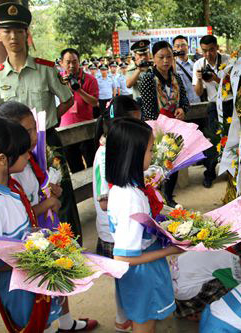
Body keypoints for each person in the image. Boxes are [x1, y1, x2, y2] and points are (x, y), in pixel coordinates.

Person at [0, 101, 99, 332]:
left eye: (34, 128)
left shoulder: (28, 158)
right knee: (41, 295)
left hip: (45, 229)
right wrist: (46, 204)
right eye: (28, 130)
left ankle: (66, 321)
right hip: (30, 240)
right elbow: (18, 213)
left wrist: (50, 191)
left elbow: (34, 191)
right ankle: (54, 324)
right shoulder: (10, 171)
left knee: (60, 274)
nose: (34, 135)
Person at [0, 2, 83, 243]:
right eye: (6, 32)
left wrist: (50, 120)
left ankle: (72, 243)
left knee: (63, 191)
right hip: (15, 149)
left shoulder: (46, 69)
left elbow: (68, 99)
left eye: (18, 31)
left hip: (47, 140)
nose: (13, 37)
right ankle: (39, 245)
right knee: (24, 193)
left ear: (26, 35)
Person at [0, 118, 62, 332]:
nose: (29, 156)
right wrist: (33, 256)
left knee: (45, 324)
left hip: (34, 277)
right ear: (2, 159)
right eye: (24, 153)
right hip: (19, 289)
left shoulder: (11, 187)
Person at [105, 117, 183, 333]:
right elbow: (124, 257)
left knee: (144, 320)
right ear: (133, 155)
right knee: (145, 325)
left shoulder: (121, 188)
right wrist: (172, 249)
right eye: (150, 150)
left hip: (141, 269)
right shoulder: (131, 198)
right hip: (143, 272)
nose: (152, 154)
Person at [92, 96, 142, 332]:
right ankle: (124, 318)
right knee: (124, 275)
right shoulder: (105, 155)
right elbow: (105, 202)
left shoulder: (114, 148)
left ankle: (125, 316)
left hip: (122, 225)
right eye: (136, 123)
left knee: (125, 275)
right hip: (114, 229)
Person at [174, 210, 241, 321]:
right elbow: (238, 286)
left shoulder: (219, 235)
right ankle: (195, 312)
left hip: (176, 282)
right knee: (232, 290)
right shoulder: (230, 257)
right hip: (185, 296)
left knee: (225, 274)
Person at [138, 41, 189, 207]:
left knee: (173, 164)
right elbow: (148, 109)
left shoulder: (177, 78)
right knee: (157, 166)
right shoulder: (147, 79)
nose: (166, 61)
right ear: (154, 58)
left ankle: (169, 197)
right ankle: (156, 200)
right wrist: (163, 125)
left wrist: (182, 109)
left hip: (175, 127)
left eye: (169, 57)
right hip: (155, 129)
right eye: (161, 57)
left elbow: (186, 101)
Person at [192, 35, 230, 188]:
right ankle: (209, 173)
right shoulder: (199, 64)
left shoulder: (228, 60)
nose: (208, 54)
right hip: (213, 105)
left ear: (217, 48)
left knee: (232, 138)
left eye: (211, 50)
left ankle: (231, 171)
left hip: (229, 103)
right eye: (204, 51)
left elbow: (234, 86)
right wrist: (200, 79)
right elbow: (198, 92)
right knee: (213, 141)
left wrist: (215, 79)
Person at [59, 48, 99, 173]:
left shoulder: (90, 79)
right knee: (75, 168)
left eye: (74, 62)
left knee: (93, 165)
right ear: (61, 63)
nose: (71, 66)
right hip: (66, 131)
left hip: (86, 129)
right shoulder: (57, 79)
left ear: (79, 62)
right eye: (68, 62)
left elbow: (94, 102)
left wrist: (79, 90)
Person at [173, 35, 201, 104]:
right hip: (183, 107)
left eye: (183, 45)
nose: (180, 48)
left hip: (198, 103)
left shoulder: (195, 64)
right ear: (173, 48)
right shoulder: (172, 67)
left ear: (188, 47)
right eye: (177, 46)